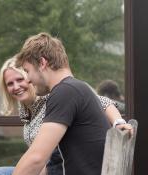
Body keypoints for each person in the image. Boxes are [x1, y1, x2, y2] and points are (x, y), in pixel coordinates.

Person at [11, 32, 132, 175]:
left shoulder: (65, 92)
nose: (28, 80)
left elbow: (36, 158)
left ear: (42, 63)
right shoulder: (77, 88)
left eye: (27, 71)